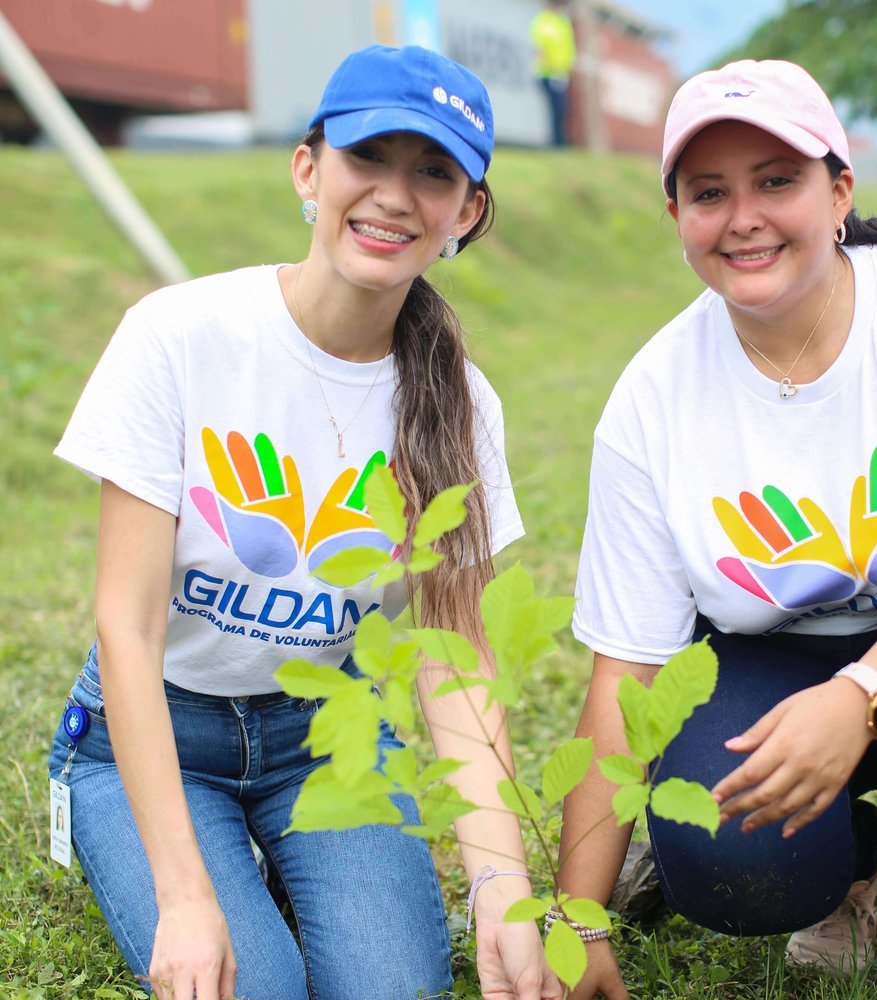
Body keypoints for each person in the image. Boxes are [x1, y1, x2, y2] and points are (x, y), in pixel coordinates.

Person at [558, 58, 877, 1000]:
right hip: (765, 661)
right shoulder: (652, 399)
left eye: (777, 180)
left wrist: (860, 695)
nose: (744, 216)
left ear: (838, 192)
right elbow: (626, 679)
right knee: (719, 852)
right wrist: (575, 918)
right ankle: (847, 867)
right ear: (676, 216)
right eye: (709, 192)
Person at [48, 44, 560, 1000]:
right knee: (255, 986)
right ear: (308, 168)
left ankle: (285, 862)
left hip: (327, 734)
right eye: (369, 158)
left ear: (468, 210)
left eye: (434, 173)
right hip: (152, 729)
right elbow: (128, 625)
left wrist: (500, 885)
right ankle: (203, 859)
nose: (395, 197)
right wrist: (186, 894)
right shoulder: (182, 337)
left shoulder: (461, 405)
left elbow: (453, 654)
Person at [529, 0, 577, 147]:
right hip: (547, 73)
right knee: (555, 108)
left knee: (562, 109)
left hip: (561, 73)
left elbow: (568, 47)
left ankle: (560, 140)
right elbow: (539, 46)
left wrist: (567, 68)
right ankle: (556, 142)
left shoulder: (564, 22)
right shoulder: (543, 20)